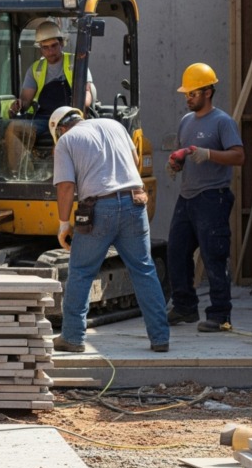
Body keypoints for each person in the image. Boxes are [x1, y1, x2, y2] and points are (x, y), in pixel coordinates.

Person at [49, 106, 170, 354]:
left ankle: (72, 337)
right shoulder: (115, 126)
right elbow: (135, 162)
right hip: (135, 204)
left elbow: (65, 187)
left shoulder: (66, 141)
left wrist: (64, 225)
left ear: (60, 129)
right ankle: (160, 338)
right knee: (144, 270)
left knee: (81, 271)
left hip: (98, 209)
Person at [165, 63, 245, 332]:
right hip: (187, 197)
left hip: (213, 197)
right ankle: (185, 307)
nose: (188, 98)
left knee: (214, 256)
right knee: (176, 252)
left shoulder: (222, 122)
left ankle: (220, 315)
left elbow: (239, 155)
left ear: (208, 92)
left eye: (193, 94)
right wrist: (177, 164)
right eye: (186, 94)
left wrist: (209, 154)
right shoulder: (185, 122)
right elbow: (184, 155)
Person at [5, 20, 93, 175]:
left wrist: (78, 111)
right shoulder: (36, 69)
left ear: (61, 43)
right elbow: (26, 100)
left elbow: (87, 95)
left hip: (69, 118)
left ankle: (64, 177)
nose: (50, 51)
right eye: (45, 47)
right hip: (44, 118)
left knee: (65, 135)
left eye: (54, 46)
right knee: (13, 129)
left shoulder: (76, 62)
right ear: (40, 49)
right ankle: (22, 175)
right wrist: (18, 105)